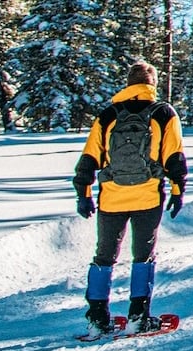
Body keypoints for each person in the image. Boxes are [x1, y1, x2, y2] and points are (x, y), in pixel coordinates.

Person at [74, 61, 187, 335]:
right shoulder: (163, 113)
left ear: (128, 82)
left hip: (112, 198)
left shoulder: (108, 115)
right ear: (153, 84)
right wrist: (177, 190)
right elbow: (174, 156)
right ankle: (138, 315)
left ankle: (97, 318)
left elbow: (90, 157)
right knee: (143, 255)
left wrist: (84, 194)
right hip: (148, 197)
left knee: (103, 256)